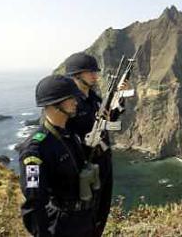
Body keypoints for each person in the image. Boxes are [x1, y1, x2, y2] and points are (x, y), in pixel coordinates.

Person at [18, 75, 96, 237]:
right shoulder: (35, 150)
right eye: (70, 98)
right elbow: (34, 203)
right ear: (54, 105)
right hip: (61, 226)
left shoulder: (70, 134)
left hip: (83, 221)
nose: (76, 101)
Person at [65, 52, 126, 236]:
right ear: (77, 75)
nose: (95, 75)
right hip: (87, 166)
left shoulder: (95, 98)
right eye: (90, 72)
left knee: (103, 209)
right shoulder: (71, 103)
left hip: (104, 162)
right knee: (87, 213)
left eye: (95, 71)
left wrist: (119, 98)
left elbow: (110, 119)